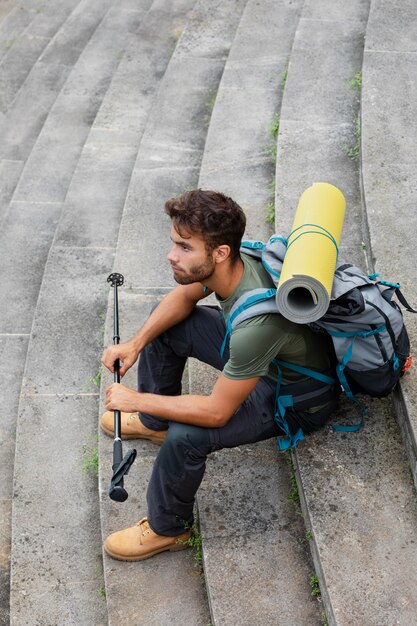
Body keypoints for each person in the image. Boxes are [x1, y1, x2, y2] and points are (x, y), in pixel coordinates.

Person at [100, 189, 339, 562]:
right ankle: (154, 423)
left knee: (188, 434)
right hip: (263, 360)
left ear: (220, 252)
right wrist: (135, 344)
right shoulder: (234, 263)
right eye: (173, 243)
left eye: (183, 247)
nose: (171, 255)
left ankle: (168, 529)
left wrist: (137, 398)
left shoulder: (258, 327)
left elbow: (215, 413)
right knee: (165, 325)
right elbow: (182, 299)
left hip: (292, 395)